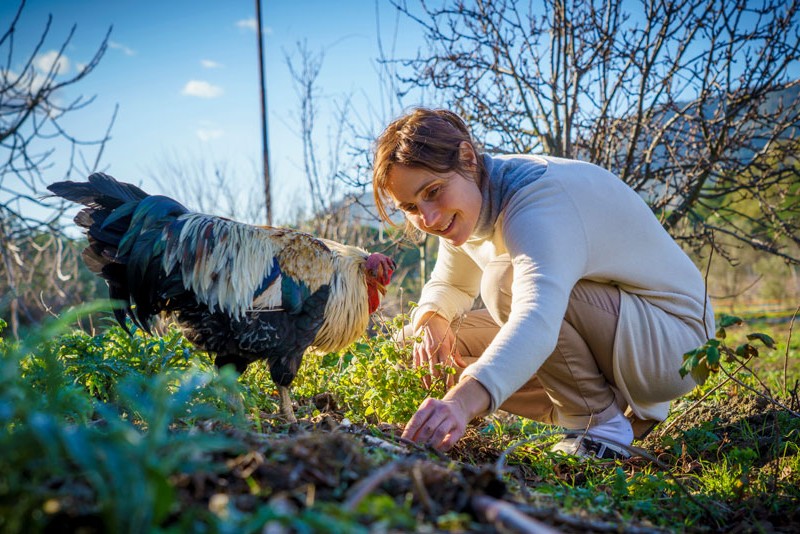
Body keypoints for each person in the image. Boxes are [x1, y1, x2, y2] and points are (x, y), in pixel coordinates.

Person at [371, 108, 715, 458]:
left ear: (467, 157)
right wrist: (432, 319)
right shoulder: (466, 201)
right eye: (411, 206)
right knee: (417, 344)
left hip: (677, 346)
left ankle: (598, 424)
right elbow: (453, 286)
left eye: (433, 191)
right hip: (618, 333)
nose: (427, 218)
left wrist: (462, 401)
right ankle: (615, 412)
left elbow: (537, 316)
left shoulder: (535, 201)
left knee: (504, 281)